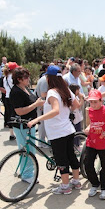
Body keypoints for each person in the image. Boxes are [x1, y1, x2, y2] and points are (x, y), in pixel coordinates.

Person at [28, 65, 82, 194]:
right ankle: (76, 181)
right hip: (68, 129)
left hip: (57, 132)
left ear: (48, 78)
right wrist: (66, 112)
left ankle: (65, 187)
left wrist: (37, 119)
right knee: (71, 156)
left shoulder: (52, 92)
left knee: (61, 159)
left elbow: (55, 111)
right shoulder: (65, 90)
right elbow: (77, 105)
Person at [10, 66, 45, 183]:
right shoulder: (16, 91)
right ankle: (27, 175)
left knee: (30, 150)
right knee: (27, 151)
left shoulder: (25, 89)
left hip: (29, 124)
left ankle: (27, 172)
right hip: (22, 125)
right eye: (26, 77)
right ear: (19, 79)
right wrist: (35, 104)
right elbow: (19, 111)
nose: (28, 79)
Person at [3, 62, 18, 141]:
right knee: (16, 114)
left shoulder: (5, 78)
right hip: (14, 97)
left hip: (7, 97)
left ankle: (11, 134)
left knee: (10, 115)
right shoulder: (13, 77)